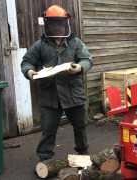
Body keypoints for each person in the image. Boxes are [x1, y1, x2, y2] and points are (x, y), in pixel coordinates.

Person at [21, 5, 93, 161]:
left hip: (73, 94)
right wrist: (30, 72)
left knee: (80, 126)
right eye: (54, 24)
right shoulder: (39, 45)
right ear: (48, 25)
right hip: (50, 96)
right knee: (48, 130)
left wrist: (79, 67)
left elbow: (87, 60)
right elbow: (26, 62)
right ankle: (45, 160)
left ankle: (83, 154)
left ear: (66, 24)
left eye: (60, 24)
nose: (58, 27)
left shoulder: (75, 43)